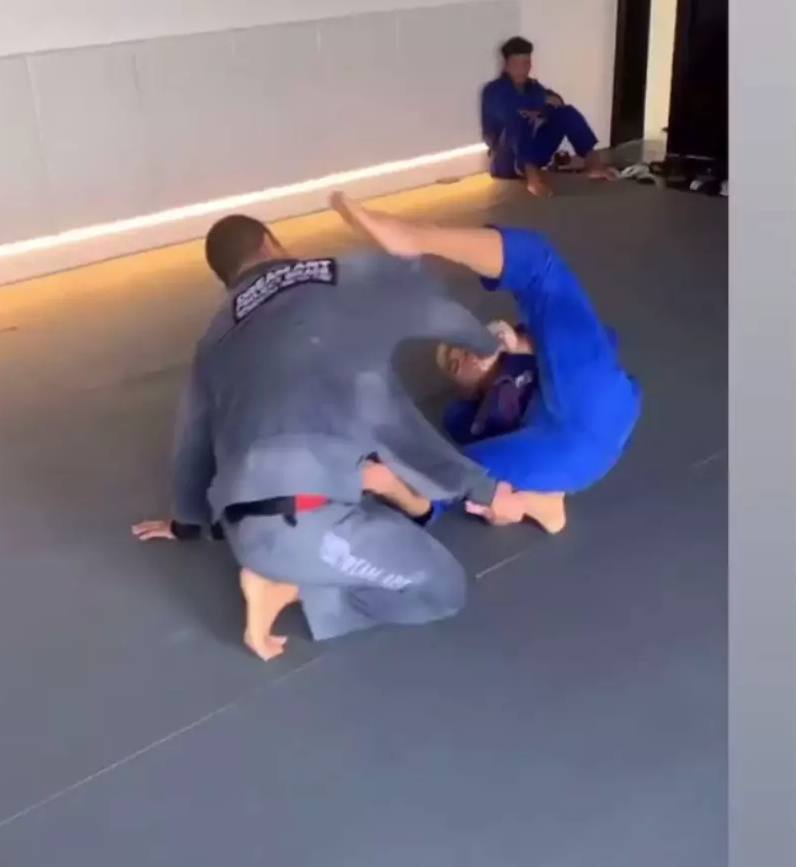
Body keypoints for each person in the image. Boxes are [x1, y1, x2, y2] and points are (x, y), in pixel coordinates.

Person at [132, 214, 517, 660]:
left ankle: (280, 570)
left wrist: (185, 521)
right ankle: (289, 590)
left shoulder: (214, 337)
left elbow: (192, 440)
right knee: (443, 589)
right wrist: (484, 347)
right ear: (270, 243)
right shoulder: (338, 275)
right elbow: (430, 313)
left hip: (243, 527)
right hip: (302, 526)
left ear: (226, 279)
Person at [329, 192, 642, 534]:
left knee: (539, 265)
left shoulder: (530, 351)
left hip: (600, 406)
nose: (462, 354)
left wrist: (520, 344)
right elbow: (447, 484)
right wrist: (385, 483)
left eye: (461, 345)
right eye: (453, 364)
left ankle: (415, 237)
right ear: (465, 391)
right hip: (559, 453)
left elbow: (593, 339)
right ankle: (538, 501)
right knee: (455, 476)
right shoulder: (471, 421)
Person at [480, 36, 617, 198]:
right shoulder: (493, 90)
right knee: (518, 121)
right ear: (508, 64)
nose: (526, 67)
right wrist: (537, 104)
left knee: (566, 112)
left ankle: (594, 164)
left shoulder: (533, 86)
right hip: (507, 160)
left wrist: (539, 111)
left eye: (527, 62)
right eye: (520, 63)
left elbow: (557, 101)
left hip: (534, 151)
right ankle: (533, 180)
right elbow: (508, 111)